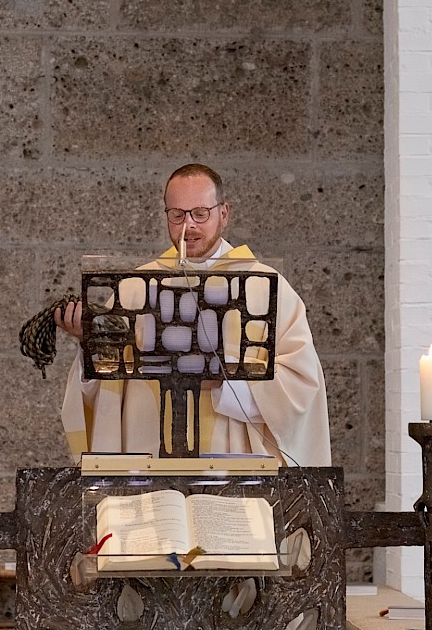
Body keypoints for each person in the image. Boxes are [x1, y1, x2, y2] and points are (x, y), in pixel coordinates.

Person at [55, 164, 331, 466]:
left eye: (201, 213)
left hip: (234, 464)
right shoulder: (136, 287)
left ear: (224, 214)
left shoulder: (264, 286)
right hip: (151, 461)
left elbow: (301, 385)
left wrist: (224, 383)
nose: (189, 227)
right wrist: (90, 344)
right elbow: (106, 390)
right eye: (177, 214)